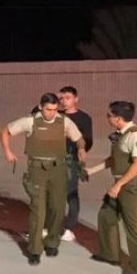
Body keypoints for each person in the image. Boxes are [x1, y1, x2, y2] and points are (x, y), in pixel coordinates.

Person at [0, 93, 87, 266]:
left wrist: (81, 149)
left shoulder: (64, 121)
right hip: (37, 169)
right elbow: (5, 131)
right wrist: (8, 151)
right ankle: (34, 249)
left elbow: (79, 138)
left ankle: (52, 242)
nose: (52, 113)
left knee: (57, 208)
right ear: (41, 107)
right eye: (48, 109)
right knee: (37, 211)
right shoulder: (30, 121)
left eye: (55, 109)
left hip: (58, 169)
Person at [96, 101, 137, 274]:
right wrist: (91, 171)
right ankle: (109, 253)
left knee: (135, 230)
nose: (107, 118)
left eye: (109, 115)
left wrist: (118, 186)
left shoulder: (136, 136)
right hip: (121, 182)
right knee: (106, 216)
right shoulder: (121, 135)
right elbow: (113, 159)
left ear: (118, 118)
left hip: (132, 186)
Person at [57, 86, 93, 241]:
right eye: (61, 98)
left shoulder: (84, 118)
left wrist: (81, 151)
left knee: (70, 192)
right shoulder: (56, 115)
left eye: (68, 98)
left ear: (75, 99)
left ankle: (69, 227)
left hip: (72, 159)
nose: (64, 101)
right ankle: (52, 224)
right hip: (55, 159)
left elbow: (88, 140)